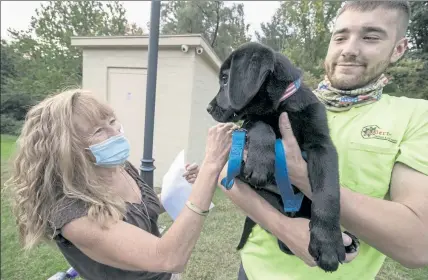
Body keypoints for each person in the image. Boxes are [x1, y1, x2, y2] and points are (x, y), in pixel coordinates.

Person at [214, 1, 428, 280]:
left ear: (398, 48)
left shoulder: (415, 116)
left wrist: (304, 177)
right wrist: (283, 227)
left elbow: (417, 246)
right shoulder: (285, 100)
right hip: (252, 271)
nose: (349, 49)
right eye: (340, 36)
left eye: (371, 37)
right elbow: (226, 177)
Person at [5, 89, 238, 280]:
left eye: (112, 120)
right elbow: (168, 256)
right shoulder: (72, 212)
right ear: (66, 150)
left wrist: (180, 186)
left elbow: (141, 209)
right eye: (99, 130)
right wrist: (211, 165)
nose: (115, 131)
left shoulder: (119, 167)